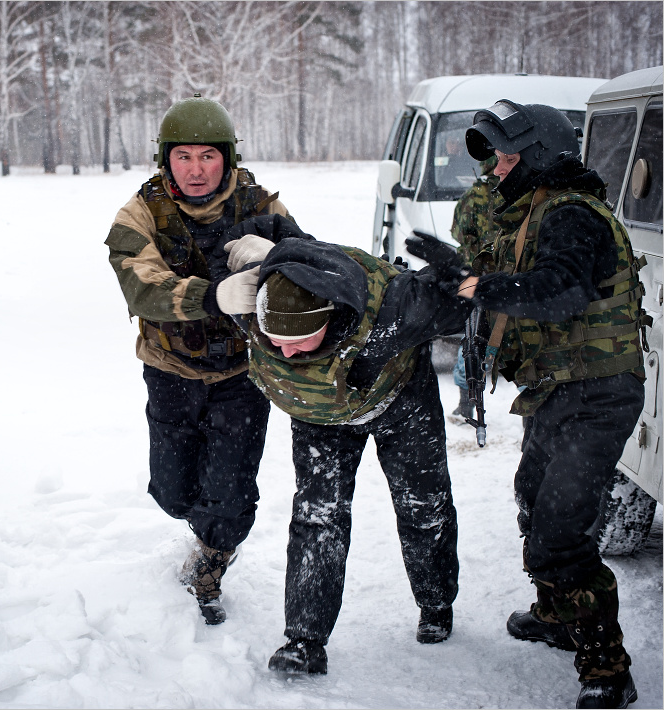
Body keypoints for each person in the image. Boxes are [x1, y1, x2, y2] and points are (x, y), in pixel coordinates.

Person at [407, 99, 649, 708]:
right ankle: (558, 615)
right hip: (558, 388)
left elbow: (558, 292)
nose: (495, 169)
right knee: (533, 500)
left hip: (597, 395)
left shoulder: (573, 216)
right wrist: (462, 270)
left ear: (540, 159)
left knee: (559, 535)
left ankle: (606, 671)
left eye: (508, 156)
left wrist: (473, 286)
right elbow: (517, 275)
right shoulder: (534, 210)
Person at [211, 216, 467, 673]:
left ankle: (436, 602)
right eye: (277, 341)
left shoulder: (393, 308)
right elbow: (253, 237)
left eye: (300, 341)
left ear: (328, 318)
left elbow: (460, 304)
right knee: (317, 515)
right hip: (321, 417)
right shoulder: (246, 301)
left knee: (422, 506)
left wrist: (458, 275)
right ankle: (304, 641)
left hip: (400, 399)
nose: (287, 353)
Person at [104, 94, 293, 625]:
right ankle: (202, 524)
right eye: (182, 156)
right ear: (165, 159)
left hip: (243, 371)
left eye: (207, 156)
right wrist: (211, 297)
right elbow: (139, 287)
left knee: (229, 494)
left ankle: (212, 559)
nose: (195, 169)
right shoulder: (140, 212)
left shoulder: (262, 206)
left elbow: (311, 264)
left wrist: (277, 254)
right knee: (172, 490)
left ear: (227, 158)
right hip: (171, 370)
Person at [447, 155, 527, 422]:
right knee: (525, 343)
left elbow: (458, 233)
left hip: (476, 281)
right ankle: (532, 408)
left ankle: (465, 404)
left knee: (472, 340)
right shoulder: (523, 193)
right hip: (515, 280)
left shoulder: (473, 197)